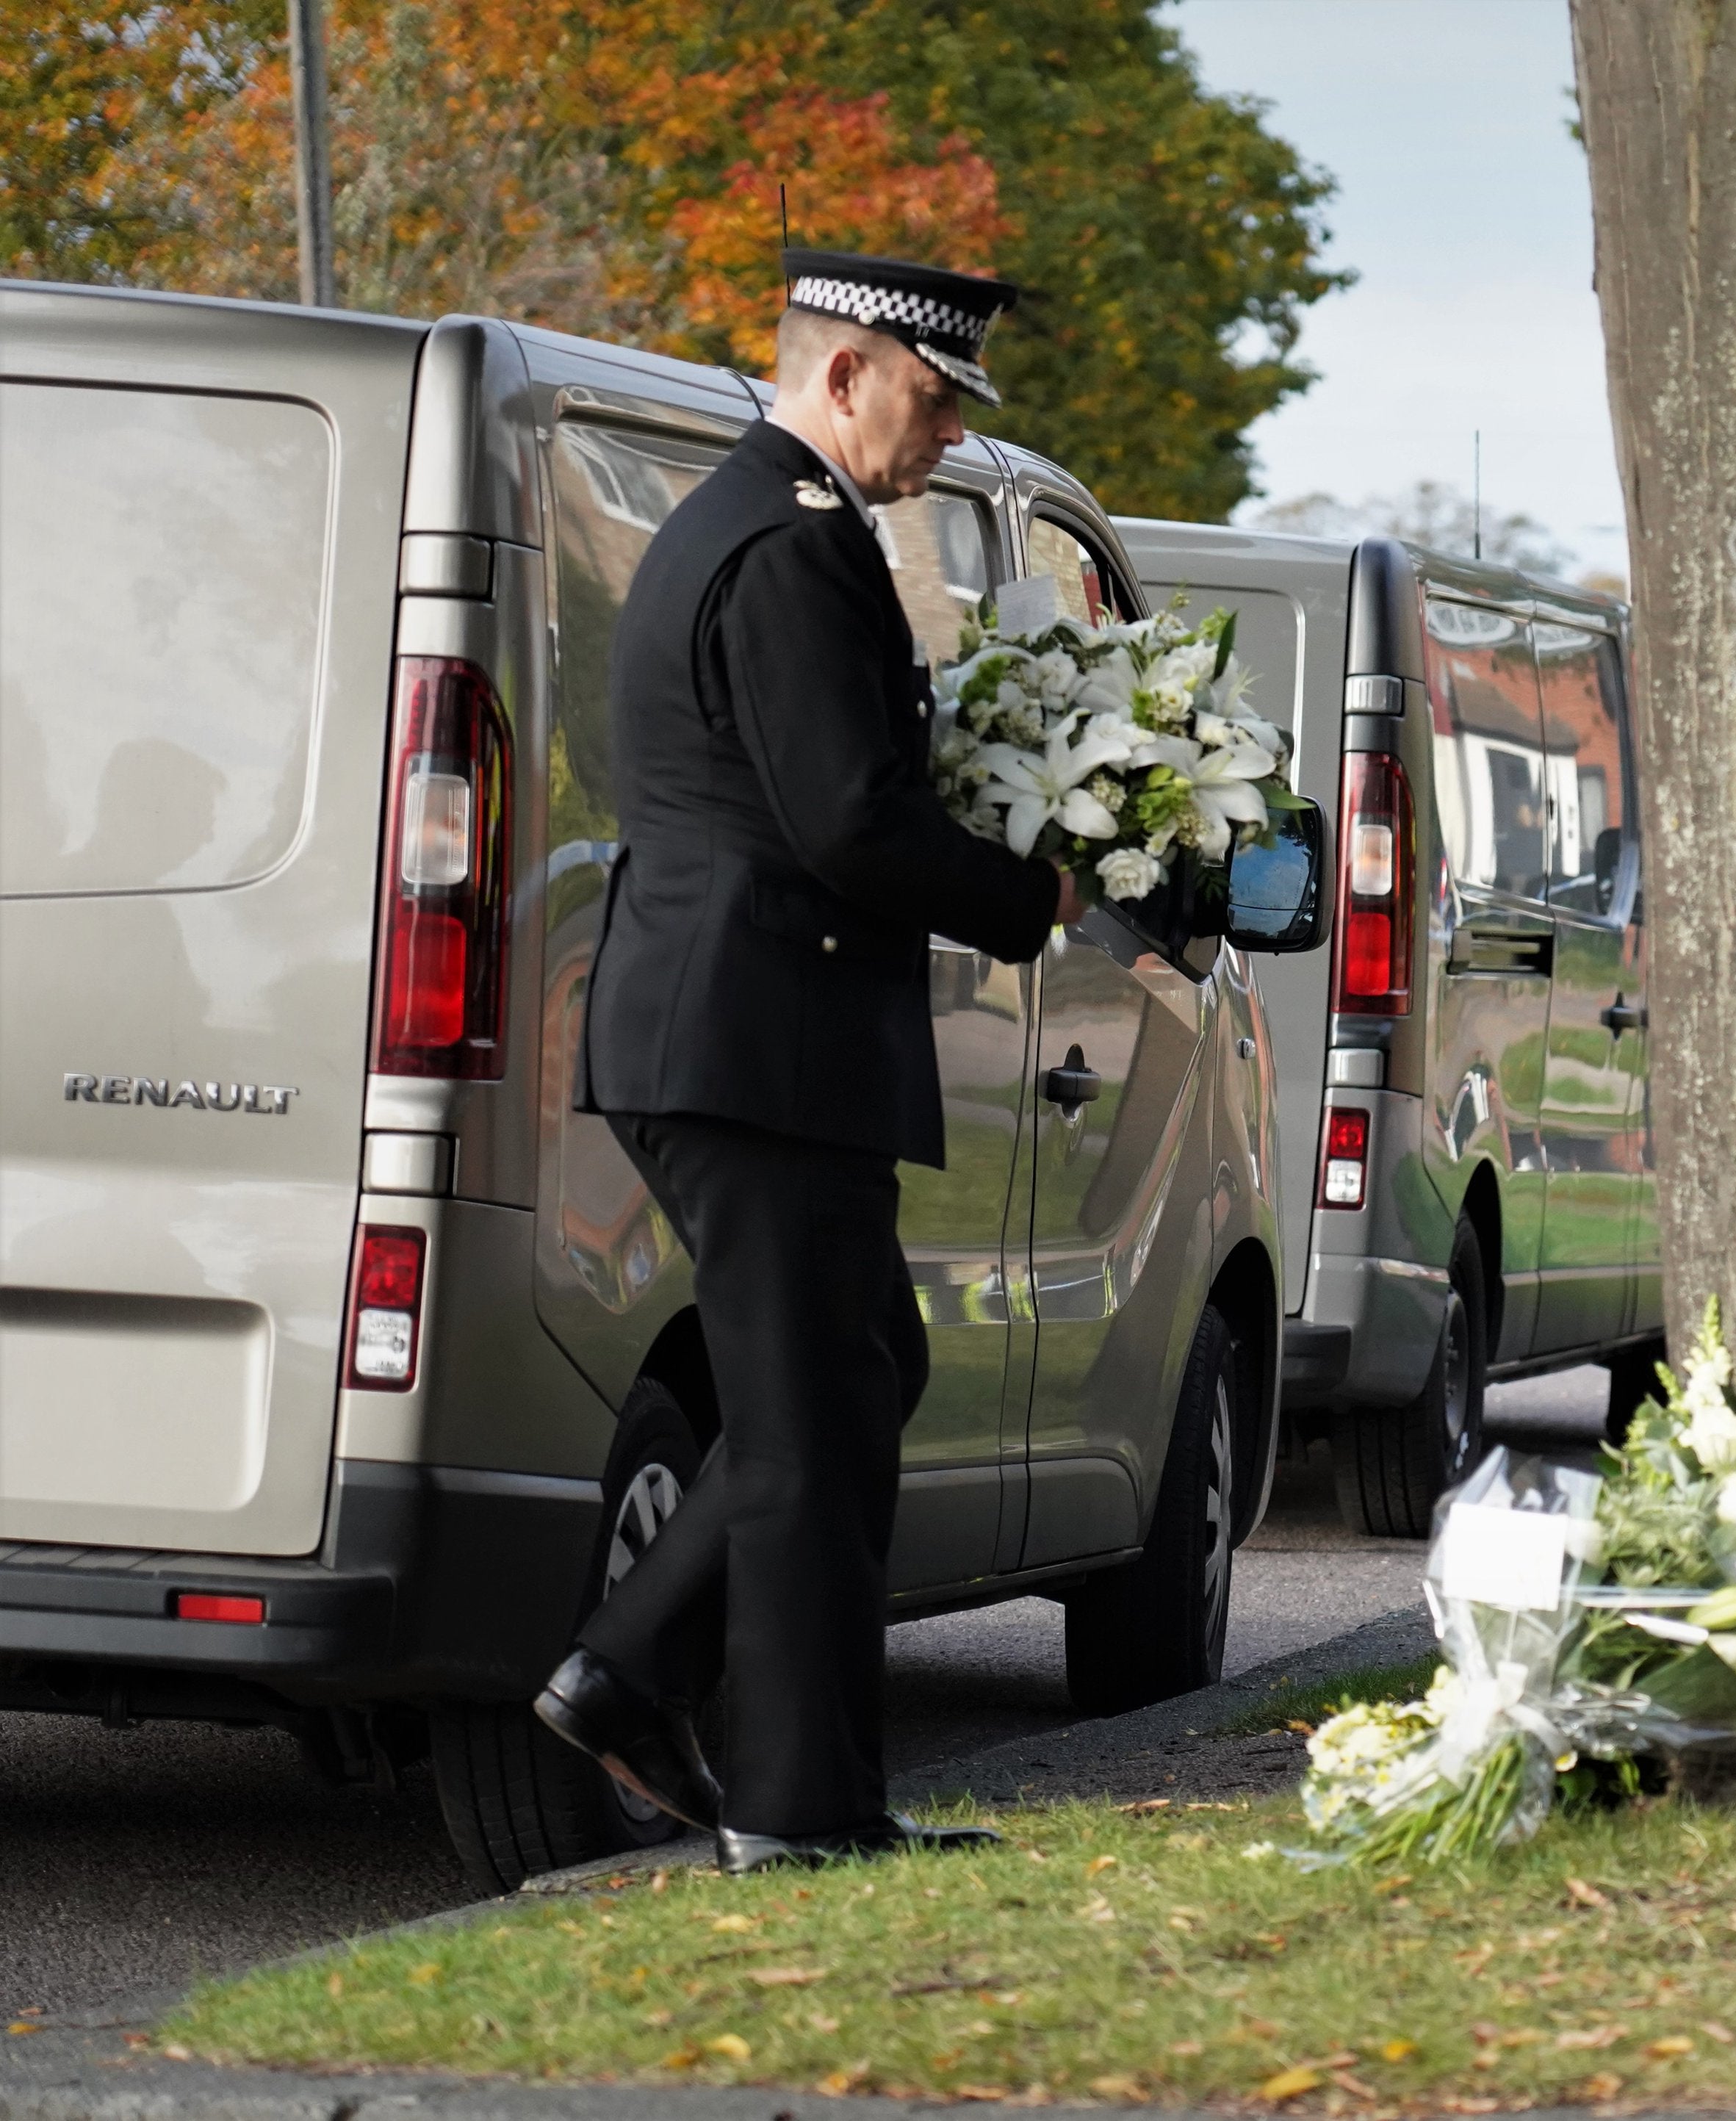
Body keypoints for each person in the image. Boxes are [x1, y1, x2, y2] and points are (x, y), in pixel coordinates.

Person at [535, 249, 1080, 1875]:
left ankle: (630, 1667)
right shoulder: (789, 546)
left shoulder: (773, 526)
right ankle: (796, 1809)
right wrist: (1024, 890)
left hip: (745, 1036)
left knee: (855, 1385)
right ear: (843, 374)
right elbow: (846, 819)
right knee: (808, 1426)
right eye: (928, 400)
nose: (943, 439)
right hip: (750, 1043)